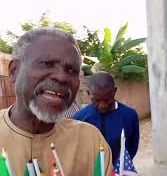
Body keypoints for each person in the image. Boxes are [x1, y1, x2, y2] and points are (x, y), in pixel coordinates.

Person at [0, 28, 113, 175]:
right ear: (14, 71)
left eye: (72, 70)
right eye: (46, 63)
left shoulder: (90, 140)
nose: (61, 77)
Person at [73, 71, 140, 165]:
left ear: (114, 91)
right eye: (97, 100)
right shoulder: (79, 118)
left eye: (107, 100)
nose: (102, 105)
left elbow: (133, 146)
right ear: (89, 93)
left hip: (120, 170)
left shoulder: (129, 115)